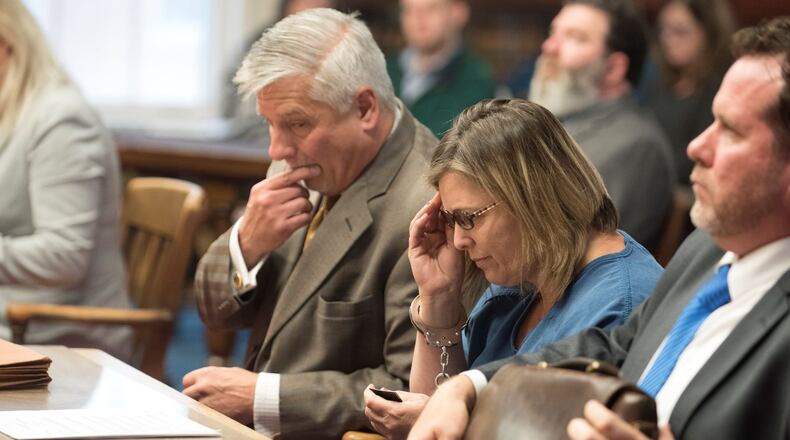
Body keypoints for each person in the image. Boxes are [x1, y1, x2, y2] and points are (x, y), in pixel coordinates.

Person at [409, 16, 790, 440]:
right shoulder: (704, 251)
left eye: (732, 130)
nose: (697, 146)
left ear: (532, 200)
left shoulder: (622, 287)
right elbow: (611, 347)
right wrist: (469, 383)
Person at [182, 8, 438, 439]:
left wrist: (264, 397)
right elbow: (212, 310)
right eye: (269, 124)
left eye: (297, 124)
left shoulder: (428, 206)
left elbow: (408, 394)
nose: (276, 148)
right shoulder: (304, 158)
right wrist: (247, 244)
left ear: (365, 108)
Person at [363, 99, 663, 439]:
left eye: (468, 218)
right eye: (451, 220)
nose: (459, 240)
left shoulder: (622, 303)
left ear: (533, 197)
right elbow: (438, 411)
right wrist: (438, 299)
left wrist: (463, 424)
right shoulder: (521, 274)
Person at [0, 0, 131, 358]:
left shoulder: (61, 119)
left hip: (64, 336)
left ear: (8, 44)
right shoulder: (10, 111)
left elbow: (63, 257)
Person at [529, 0, 675, 248]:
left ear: (614, 68)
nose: (549, 47)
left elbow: (583, 251)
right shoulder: (551, 125)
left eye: (575, 38)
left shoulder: (636, 147)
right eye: (553, 33)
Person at [642, 0, 735, 184]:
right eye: (663, 29)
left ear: (709, 32)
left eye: (680, 31)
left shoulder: (722, 88)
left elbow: (702, 157)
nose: (668, 39)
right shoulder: (660, 78)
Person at [387, 0, 496, 137]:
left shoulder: (476, 82)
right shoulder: (384, 71)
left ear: (458, 13)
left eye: (431, 9)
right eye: (408, 10)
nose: (418, 18)